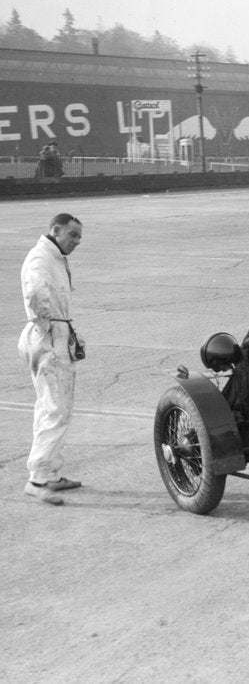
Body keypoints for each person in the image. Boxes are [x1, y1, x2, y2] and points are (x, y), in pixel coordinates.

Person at [19, 213, 85, 505]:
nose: (76, 242)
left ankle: (50, 472)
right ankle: (38, 479)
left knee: (50, 408)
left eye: (79, 238)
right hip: (48, 338)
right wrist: (47, 327)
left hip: (55, 333)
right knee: (56, 410)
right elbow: (34, 292)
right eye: (72, 236)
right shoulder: (41, 258)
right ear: (56, 231)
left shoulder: (54, 258)